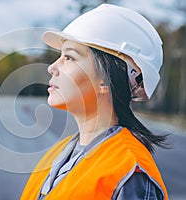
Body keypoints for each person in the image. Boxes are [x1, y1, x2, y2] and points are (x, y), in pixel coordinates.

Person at [21, 4, 169, 200]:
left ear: (106, 80)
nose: (52, 67)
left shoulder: (131, 175)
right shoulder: (59, 153)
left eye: (69, 57)